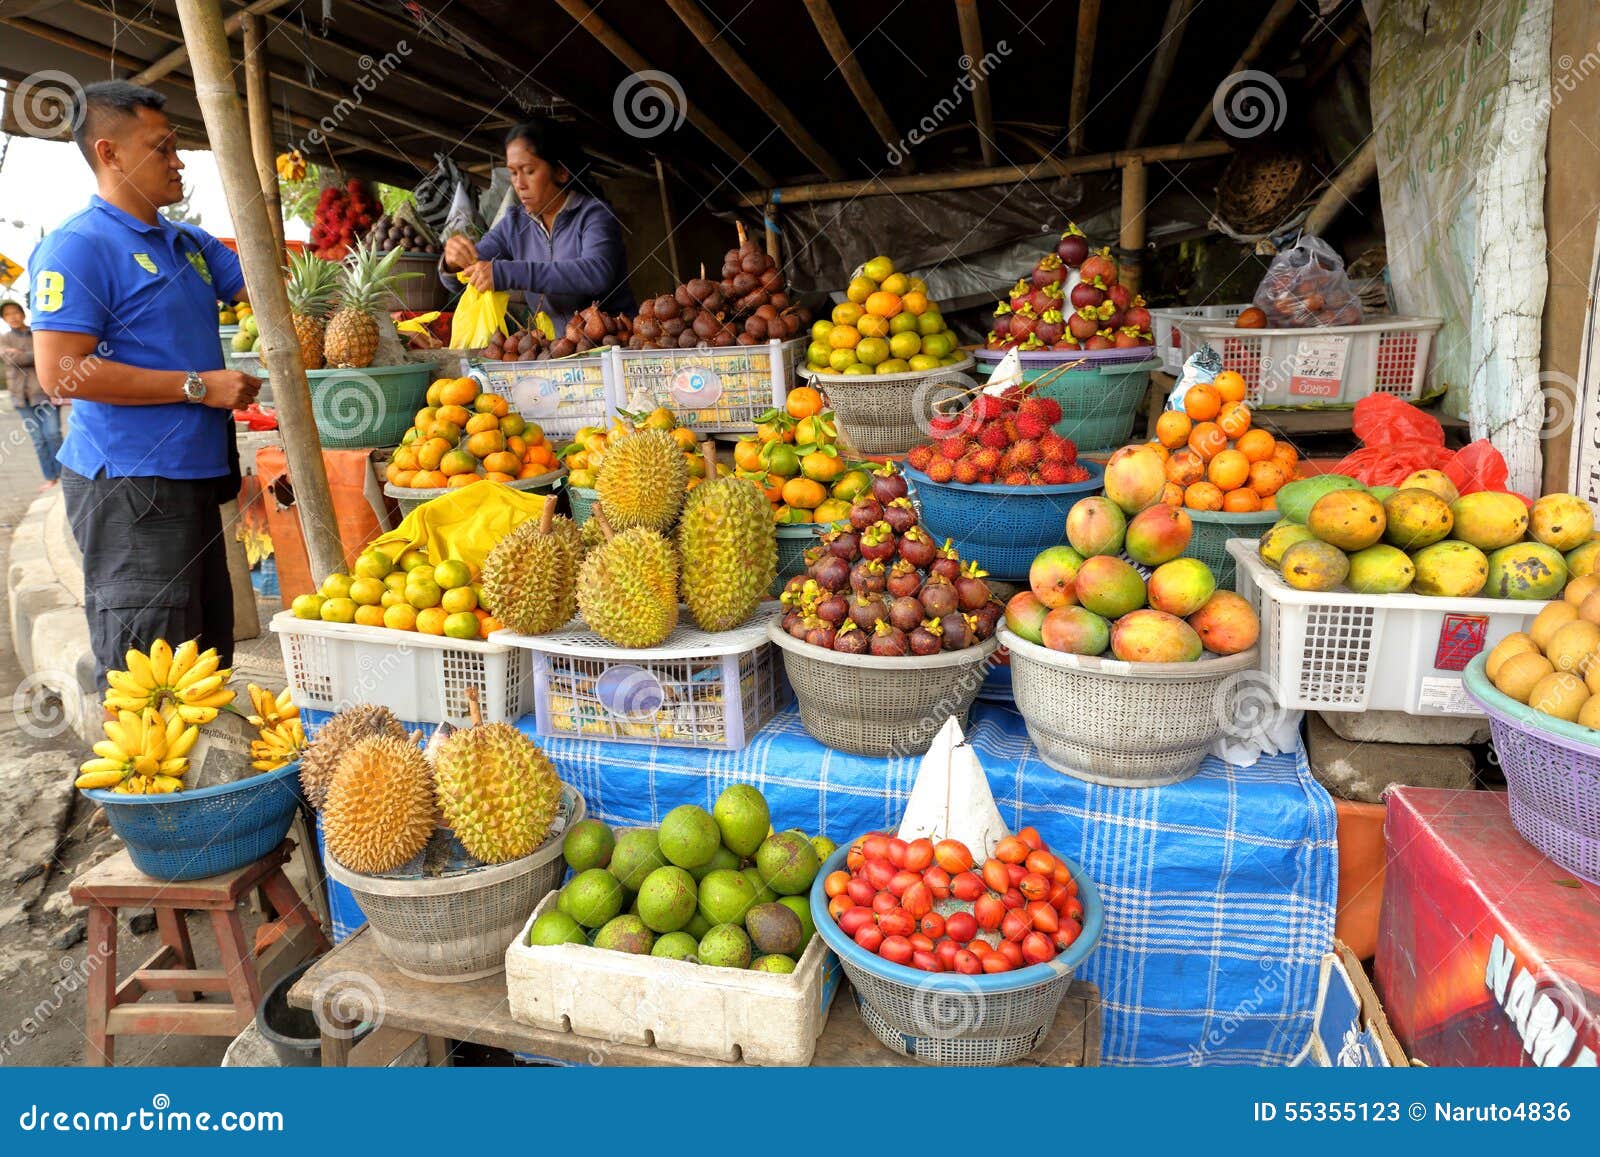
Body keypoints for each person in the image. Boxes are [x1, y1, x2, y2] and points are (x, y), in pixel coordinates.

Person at [28, 80, 258, 688]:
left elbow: (262, 283)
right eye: (163, 148)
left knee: (205, 663)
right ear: (110, 153)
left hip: (192, 479)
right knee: (148, 675)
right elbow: (60, 372)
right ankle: (139, 786)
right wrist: (198, 387)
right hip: (130, 487)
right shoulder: (77, 247)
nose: (179, 161)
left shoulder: (185, 241)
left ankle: (208, 786)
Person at [440, 117, 635, 333]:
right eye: (513, 173)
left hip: (612, 344)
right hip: (555, 350)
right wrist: (452, 263)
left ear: (561, 171)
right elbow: (465, 278)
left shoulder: (594, 214)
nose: (519, 184)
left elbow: (596, 273)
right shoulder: (514, 224)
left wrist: (508, 273)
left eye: (529, 171)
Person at [1, 300, 65, 490]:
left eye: (15, 312)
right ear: (4, 319)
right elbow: (12, 359)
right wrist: (34, 355)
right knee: (38, 441)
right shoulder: (4, 339)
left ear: (22, 313)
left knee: (53, 435)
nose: (12, 317)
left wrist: (24, 354)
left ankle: (65, 476)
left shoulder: (38, 333)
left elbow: (51, 356)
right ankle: (50, 478)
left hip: (45, 394)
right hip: (21, 398)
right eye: (7, 314)